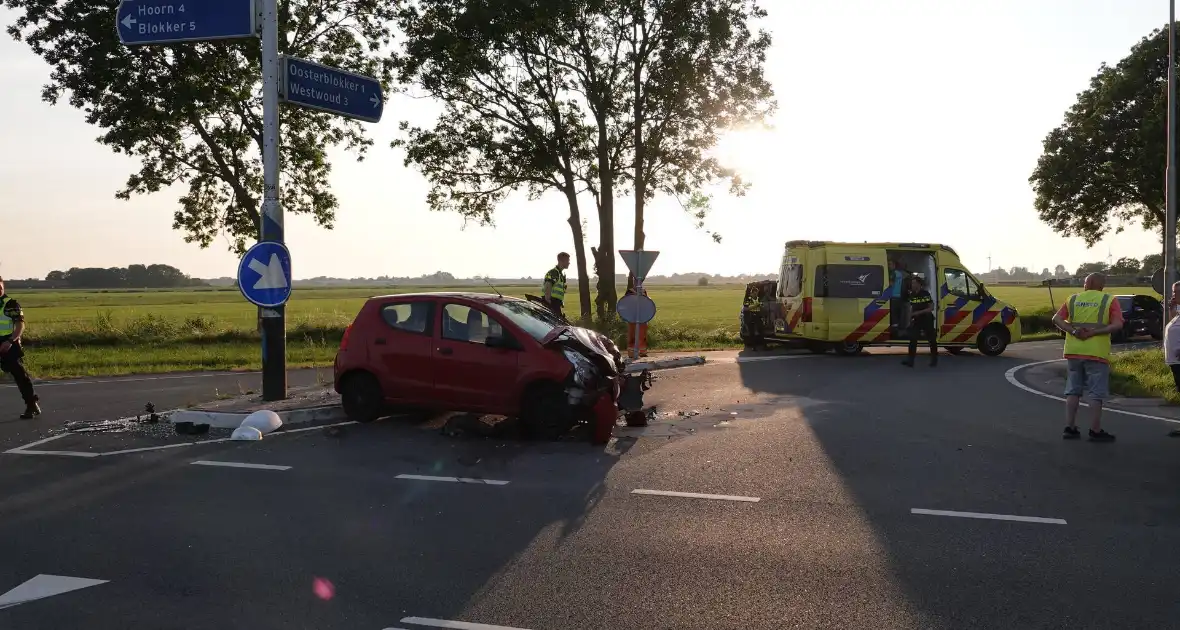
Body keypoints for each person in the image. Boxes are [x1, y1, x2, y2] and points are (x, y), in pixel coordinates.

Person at [1051, 272, 1122, 442]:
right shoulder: (1109, 300)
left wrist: (1074, 331)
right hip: (1096, 352)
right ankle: (1095, 430)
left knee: (1073, 390)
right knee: (1095, 393)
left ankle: (1070, 427)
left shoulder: (1073, 299)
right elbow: (1117, 324)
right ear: (1101, 285)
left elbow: (1056, 319)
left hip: (1074, 351)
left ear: (1085, 284)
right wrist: (1095, 332)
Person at [0, 277, 40, 419]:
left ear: (3, 286)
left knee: (19, 375)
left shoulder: (11, 304)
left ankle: (31, 405)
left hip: (8, 342)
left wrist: (11, 340)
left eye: (0, 286)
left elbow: (20, 325)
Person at [901, 276, 937, 367]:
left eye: (914, 283)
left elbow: (931, 308)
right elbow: (910, 308)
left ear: (919, 284)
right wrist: (909, 321)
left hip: (927, 319)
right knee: (913, 339)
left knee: (931, 340)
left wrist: (919, 312)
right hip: (916, 320)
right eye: (912, 283)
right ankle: (910, 361)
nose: (912, 285)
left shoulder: (925, 293)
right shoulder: (912, 294)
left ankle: (934, 360)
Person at [624, 273, 649, 356]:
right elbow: (626, 304)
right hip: (632, 317)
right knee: (632, 335)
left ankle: (642, 352)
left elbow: (648, 304)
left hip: (643, 317)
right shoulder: (630, 292)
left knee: (642, 335)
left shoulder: (644, 291)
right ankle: (631, 353)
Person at [542, 252, 570, 319]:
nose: (569, 263)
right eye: (567, 261)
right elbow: (548, 285)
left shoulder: (560, 273)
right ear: (561, 261)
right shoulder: (554, 272)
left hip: (556, 303)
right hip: (551, 302)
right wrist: (548, 301)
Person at [1165, 282, 1180, 394]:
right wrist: (1171, 308)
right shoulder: (1178, 313)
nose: (1174, 295)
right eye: (1173, 291)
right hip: (1175, 360)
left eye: (1176, 292)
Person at [886, 259, 908, 330]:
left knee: (893, 314)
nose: (889, 266)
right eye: (888, 264)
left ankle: (894, 330)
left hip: (893, 296)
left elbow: (890, 284)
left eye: (890, 264)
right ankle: (897, 328)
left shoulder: (893, 273)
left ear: (894, 265)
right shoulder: (899, 273)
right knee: (897, 314)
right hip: (898, 296)